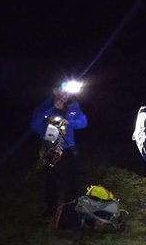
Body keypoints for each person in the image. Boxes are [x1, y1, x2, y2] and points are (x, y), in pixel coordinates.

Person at [30, 81, 87, 216]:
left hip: (69, 147)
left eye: (68, 92)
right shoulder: (44, 106)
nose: (66, 95)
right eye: (63, 91)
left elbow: (83, 122)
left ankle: (73, 205)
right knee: (51, 178)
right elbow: (34, 126)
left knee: (72, 176)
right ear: (55, 91)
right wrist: (49, 114)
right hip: (51, 147)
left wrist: (69, 122)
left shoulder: (74, 105)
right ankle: (51, 207)